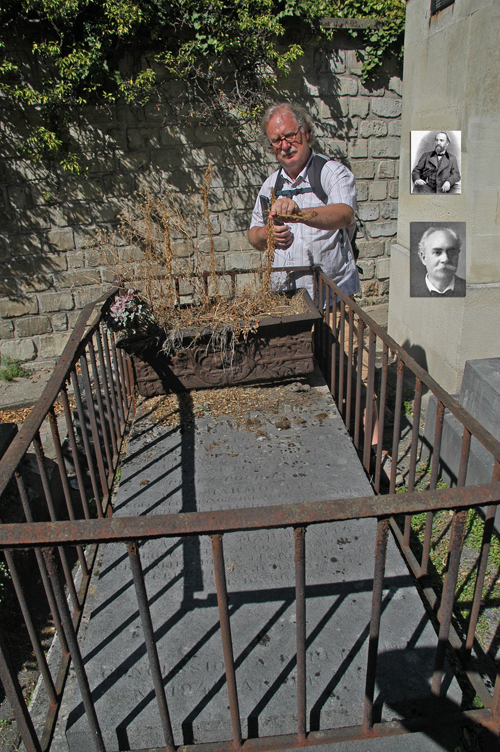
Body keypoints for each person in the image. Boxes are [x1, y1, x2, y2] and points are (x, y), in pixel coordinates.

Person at [248, 102, 360, 298]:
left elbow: (345, 214)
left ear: (306, 132)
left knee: (336, 330)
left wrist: (300, 215)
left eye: (290, 136)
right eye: (276, 140)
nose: (285, 146)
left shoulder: (331, 172)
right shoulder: (270, 186)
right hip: (285, 299)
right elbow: (253, 236)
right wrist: (267, 233)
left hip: (331, 297)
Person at [411, 227, 466, 297]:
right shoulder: (410, 291)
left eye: (451, 252)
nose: (445, 259)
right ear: (423, 258)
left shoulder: (469, 289)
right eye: (437, 252)